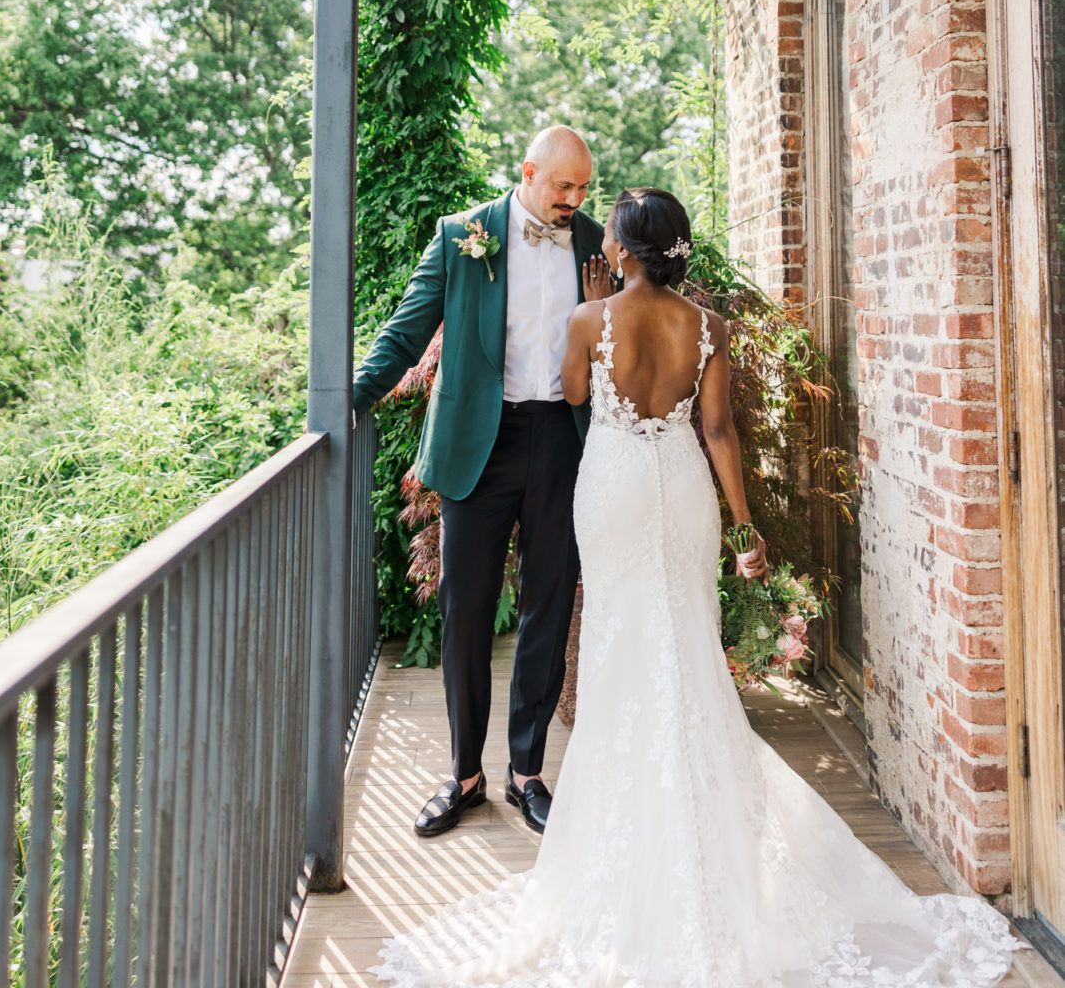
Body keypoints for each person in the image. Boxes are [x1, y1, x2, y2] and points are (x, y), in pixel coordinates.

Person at [371, 187, 1022, 988]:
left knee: (619, 647)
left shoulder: (588, 320)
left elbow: (574, 396)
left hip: (610, 490)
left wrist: (596, 310)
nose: (598, 240)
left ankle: (633, 826)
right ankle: (701, 831)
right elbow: (718, 430)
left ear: (625, 251)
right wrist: (745, 526)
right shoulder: (708, 328)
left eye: (607, 233)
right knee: (684, 644)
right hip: (681, 490)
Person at [352, 125, 614, 838]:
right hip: (480, 442)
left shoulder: (596, 242)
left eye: (583, 187)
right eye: (563, 186)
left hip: (563, 438)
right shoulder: (463, 235)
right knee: (465, 607)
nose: (574, 199)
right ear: (528, 173)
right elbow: (408, 331)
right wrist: (349, 396)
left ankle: (526, 771)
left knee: (548, 604)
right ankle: (464, 774)